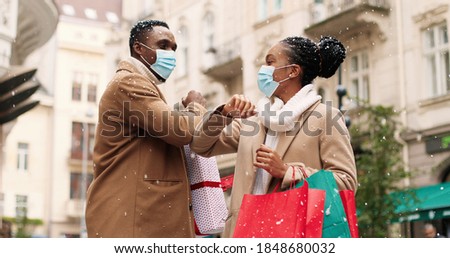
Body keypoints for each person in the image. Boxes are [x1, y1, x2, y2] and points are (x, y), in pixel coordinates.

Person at [190, 35, 357, 237]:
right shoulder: (254, 118)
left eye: (270, 62)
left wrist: (288, 172)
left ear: (293, 71)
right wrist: (224, 114)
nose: (264, 70)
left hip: (293, 231)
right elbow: (201, 146)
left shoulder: (325, 117)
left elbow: (346, 182)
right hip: (243, 232)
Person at [85, 20, 208, 238]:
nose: (170, 53)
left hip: (137, 216)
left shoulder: (138, 84)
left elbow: (160, 127)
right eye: (163, 45)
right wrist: (196, 107)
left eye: (174, 48)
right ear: (139, 48)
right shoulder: (129, 82)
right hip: (132, 218)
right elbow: (179, 131)